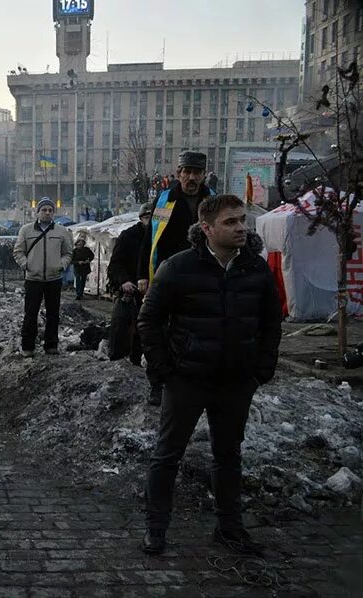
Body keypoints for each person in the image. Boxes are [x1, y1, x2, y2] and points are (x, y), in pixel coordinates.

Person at [137, 194, 281, 557]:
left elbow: (271, 323)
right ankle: (156, 529)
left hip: (236, 381)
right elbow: (148, 320)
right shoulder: (179, 267)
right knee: (168, 454)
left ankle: (229, 528)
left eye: (243, 220)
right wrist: (164, 370)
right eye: (230, 222)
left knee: (228, 455)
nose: (241, 228)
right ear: (207, 228)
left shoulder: (256, 269)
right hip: (187, 379)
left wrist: (261, 370)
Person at [137, 151, 213, 293]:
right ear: (179, 174)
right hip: (170, 270)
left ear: (203, 175)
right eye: (187, 172)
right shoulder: (165, 202)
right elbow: (152, 237)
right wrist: (143, 275)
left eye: (197, 173)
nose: (192, 177)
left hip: (205, 272)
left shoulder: (212, 201)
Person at [12, 197, 73, 357]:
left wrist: (62, 265)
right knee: (30, 314)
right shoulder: (26, 230)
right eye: (44, 210)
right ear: (37, 212)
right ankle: (28, 346)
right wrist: (26, 264)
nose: (47, 213)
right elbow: (18, 251)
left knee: (53, 314)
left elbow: (68, 252)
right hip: (33, 279)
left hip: (54, 279)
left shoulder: (61, 231)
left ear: (53, 212)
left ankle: (51, 346)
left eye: (50, 210)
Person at [106, 202, 156, 381]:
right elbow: (116, 264)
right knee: (123, 326)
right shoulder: (128, 236)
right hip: (132, 290)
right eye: (148, 218)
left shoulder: (162, 238)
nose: (150, 222)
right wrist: (124, 281)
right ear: (142, 218)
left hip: (156, 291)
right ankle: (118, 363)